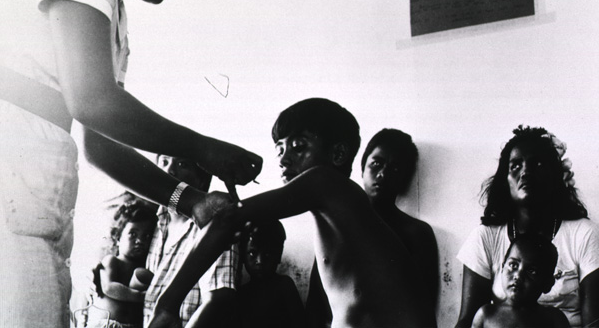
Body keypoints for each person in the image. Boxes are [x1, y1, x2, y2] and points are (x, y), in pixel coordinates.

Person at [0, 0, 262, 326]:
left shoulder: (115, 20)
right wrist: (204, 149)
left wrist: (189, 199)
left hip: (39, 192)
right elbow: (92, 102)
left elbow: (100, 146)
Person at [148, 98, 437, 328]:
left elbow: (227, 219)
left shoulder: (327, 183)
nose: (284, 158)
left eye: (298, 146)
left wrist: (168, 303)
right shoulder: (337, 211)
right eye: (280, 148)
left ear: (337, 154)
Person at [455, 126, 599, 328]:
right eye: (515, 166)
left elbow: (593, 323)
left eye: (538, 164)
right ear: (504, 180)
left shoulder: (584, 234)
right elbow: (467, 321)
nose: (525, 173)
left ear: (555, 176)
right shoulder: (485, 237)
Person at [305, 128, 439, 327]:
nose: (383, 174)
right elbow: (316, 305)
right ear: (362, 168)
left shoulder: (417, 233)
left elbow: (424, 306)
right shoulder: (335, 225)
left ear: (405, 178)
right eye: (376, 164)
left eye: (394, 169)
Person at [144, 155, 241, 328]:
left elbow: (216, 301)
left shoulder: (215, 223)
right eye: (164, 162)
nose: (169, 171)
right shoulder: (154, 221)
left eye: (182, 164)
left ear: (202, 181)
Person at [471, 233, 570, 328]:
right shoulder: (486, 314)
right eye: (513, 265)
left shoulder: (553, 319)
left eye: (531, 271)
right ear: (502, 268)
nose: (518, 276)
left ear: (548, 284)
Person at [89, 201, 158, 328]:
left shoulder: (145, 267)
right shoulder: (112, 261)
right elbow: (109, 287)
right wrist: (140, 297)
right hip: (107, 324)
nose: (140, 241)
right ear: (118, 237)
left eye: (146, 236)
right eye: (133, 234)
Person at [237, 220, 306, 328]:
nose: (260, 261)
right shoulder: (241, 294)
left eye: (267, 254)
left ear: (279, 255)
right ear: (242, 255)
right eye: (252, 253)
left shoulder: (284, 286)